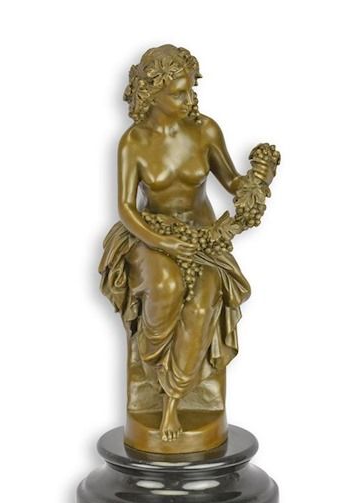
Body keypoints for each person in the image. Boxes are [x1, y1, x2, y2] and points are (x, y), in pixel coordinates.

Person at [99, 45, 273, 448]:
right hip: (150, 234)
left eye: (191, 89)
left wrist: (256, 181)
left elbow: (231, 181)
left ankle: (175, 399)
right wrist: (163, 242)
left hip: (202, 237)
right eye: (178, 93)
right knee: (167, 288)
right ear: (152, 94)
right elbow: (126, 208)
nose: (189, 99)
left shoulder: (205, 131)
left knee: (204, 295)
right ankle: (152, 377)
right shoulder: (134, 142)